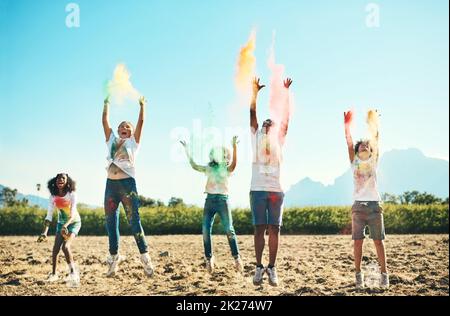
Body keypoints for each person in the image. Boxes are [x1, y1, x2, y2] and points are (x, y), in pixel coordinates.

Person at [102, 96, 153, 277]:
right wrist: (106, 103)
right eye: (122, 126)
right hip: (110, 186)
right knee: (110, 223)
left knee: (134, 221)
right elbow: (104, 121)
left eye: (128, 127)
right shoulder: (112, 140)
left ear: (131, 133)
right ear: (117, 130)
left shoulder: (133, 142)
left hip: (127, 185)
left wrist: (142, 106)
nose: (125, 128)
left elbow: (141, 121)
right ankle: (114, 258)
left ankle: (145, 257)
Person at [249, 77, 292, 286]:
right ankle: (258, 267)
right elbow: (251, 114)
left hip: (276, 190)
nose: (267, 123)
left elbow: (286, 120)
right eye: (265, 122)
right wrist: (255, 93)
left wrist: (285, 94)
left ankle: (272, 268)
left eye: (270, 123)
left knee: (275, 229)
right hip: (257, 189)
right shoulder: (255, 136)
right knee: (259, 228)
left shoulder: (279, 141)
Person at [180, 137, 243, 274]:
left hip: (223, 200)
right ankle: (209, 259)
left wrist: (234, 147)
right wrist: (187, 150)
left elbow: (234, 165)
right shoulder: (209, 168)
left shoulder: (226, 168)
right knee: (205, 230)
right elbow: (194, 165)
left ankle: (237, 258)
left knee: (229, 230)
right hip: (209, 201)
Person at [344, 109, 389, 289]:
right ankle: (358, 275)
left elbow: (376, 139)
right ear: (357, 150)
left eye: (366, 145)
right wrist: (347, 126)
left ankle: (384, 275)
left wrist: (374, 122)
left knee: (378, 241)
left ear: (371, 150)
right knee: (358, 242)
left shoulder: (373, 161)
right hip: (358, 208)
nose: (363, 145)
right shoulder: (355, 162)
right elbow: (348, 143)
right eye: (361, 145)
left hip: (374, 207)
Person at [37, 173, 81, 285]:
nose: (60, 180)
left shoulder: (72, 194)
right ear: (55, 182)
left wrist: (65, 226)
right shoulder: (53, 196)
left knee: (65, 247)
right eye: (58, 178)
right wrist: (44, 232)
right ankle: (54, 274)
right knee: (55, 249)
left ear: (67, 181)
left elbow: (72, 214)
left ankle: (73, 274)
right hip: (61, 224)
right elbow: (49, 215)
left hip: (74, 222)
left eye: (63, 178)